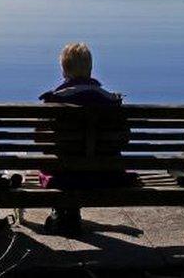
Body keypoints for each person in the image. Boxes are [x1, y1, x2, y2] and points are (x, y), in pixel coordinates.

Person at [38, 43, 134, 235]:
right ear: (90, 69)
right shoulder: (111, 101)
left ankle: (65, 211)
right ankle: (68, 213)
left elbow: (40, 140)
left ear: (64, 71)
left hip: (64, 174)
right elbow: (124, 139)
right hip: (106, 173)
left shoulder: (54, 101)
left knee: (51, 163)